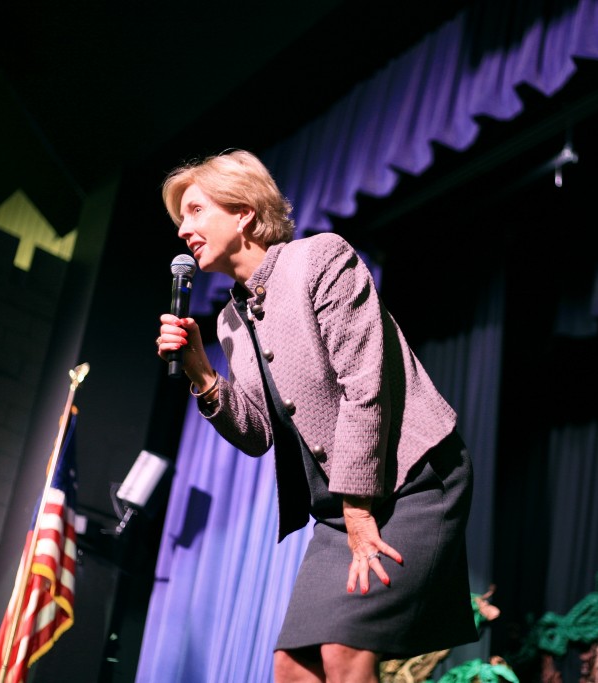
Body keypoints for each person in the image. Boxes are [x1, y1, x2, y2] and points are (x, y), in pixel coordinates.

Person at [155, 149, 477, 682]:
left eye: (194, 210)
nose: (183, 231)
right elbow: (259, 434)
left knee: (344, 653)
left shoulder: (321, 259)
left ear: (244, 214)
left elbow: (364, 384)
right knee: (293, 666)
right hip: (341, 509)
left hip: (413, 480)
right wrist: (202, 375)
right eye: (180, 219)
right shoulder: (231, 322)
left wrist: (357, 511)